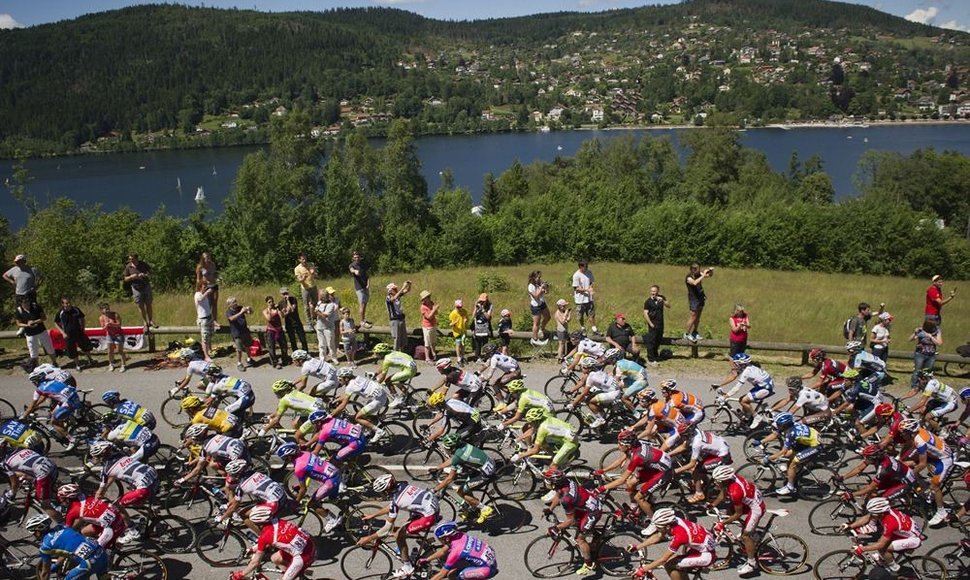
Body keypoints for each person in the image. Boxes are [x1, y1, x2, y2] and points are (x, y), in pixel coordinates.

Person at [358, 474, 440, 572]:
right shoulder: (402, 485)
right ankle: (425, 543)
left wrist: (367, 538)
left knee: (399, 535)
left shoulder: (397, 500)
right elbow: (392, 506)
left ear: (387, 490)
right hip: (431, 504)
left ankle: (408, 566)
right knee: (402, 527)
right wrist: (373, 515)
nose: (382, 495)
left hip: (429, 516)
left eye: (382, 492)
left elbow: (386, 529)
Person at [89, 441, 159, 543]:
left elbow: (100, 492)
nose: (96, 459)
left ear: (101, 456)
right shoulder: (121, 454)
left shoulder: (106, 469)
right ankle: (157, 522)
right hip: (153, 475)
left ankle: (132, 531)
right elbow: (114, 475)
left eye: (96, 456)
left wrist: (95, 502)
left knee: (117, 505)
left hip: (144, 488)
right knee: (138, 503)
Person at [229, 506, 316, 580]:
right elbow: (272, 540)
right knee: (275, 558)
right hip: (309, 544)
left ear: (258, 523)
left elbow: (255, 563)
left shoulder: (265, 536)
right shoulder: (278, 520)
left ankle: (295, 571)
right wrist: (253, 549)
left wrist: (240, 574)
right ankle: (296, 573)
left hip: (304, 557)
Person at [544, 467, 602, 577]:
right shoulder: (566, 482)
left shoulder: (566, 499)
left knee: (580, 539)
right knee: (578, 525)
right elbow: (558, 494)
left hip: (593, 511)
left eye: (549, 481)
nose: (547, 482)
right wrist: (550, 509)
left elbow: (570, 520)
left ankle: (589, 564)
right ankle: (595, 535)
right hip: (586, 504)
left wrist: (556, 528)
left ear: (555, 483)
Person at [629, 508, 716, 580]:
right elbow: (659, 536)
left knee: (669, 565)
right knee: (674, 561)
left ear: (667, 526)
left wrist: (643, 569)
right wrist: (637, 547)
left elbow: (663, 559)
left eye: (658, 527)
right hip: (702, 546)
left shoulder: (679, 536)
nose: (657, 529)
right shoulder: (675, 520)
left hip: (706, 555)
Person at [898, 418, 954, 525]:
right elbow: (908, 444)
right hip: (936, 454)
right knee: (910, 464)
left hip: (944, 460)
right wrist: (900, 458)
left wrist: (911, 474)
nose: (901, 435)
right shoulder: (917, 433)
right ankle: (924, 486)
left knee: (934, 485)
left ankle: (941, 512)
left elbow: (922, 464)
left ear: (910, 432)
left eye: (903, 433)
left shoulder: (920, 441)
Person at [430, 434, 497, 525]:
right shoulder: (462, 444)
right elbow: (453, 459)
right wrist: (438, 467)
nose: (445, 449)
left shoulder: (458, 457)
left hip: (485, 474)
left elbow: (450, 479)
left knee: (461, 491)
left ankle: (484, 509)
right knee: (466, 485)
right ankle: (473, 507)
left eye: (445, 447)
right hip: (488, 464)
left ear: (451, 447)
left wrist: (435, 489)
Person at [709, 466, 764, 576]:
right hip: (752, 498)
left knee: (745, 536)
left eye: (717, 481)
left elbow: (737, 514)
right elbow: (723, 492)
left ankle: (752, 563)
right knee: (729, 511)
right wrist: (713, 504)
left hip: (756, 508)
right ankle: (753, 533)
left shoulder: (735, 491)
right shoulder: (731, 479)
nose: (715, 483)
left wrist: (722, 523)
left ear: (724, 480)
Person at [275, 443, 343, 531]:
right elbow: (310, 470)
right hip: (335, 472)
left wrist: (296, 502)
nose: (284, 460)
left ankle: (332, 520)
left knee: (312, 503)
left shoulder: (298, 467)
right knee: (333, 499)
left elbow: (303, 490)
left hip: (331, 481)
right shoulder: (305, 453)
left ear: (289, 456)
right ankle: (345, 513)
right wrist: (300, 485)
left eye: (284, 458)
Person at [841, 498, 921, 573]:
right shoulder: (884, 512)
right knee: (881, 540)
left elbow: (880, 545)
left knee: (883, 548)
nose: (872, 515)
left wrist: (861, 549)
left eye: (873, 514)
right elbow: (867, 517)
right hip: (906, 530)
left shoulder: (890, 522)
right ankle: (886, 560)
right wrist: (850, 526)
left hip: (913, 538)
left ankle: (894, 567)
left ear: (881, 513)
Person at [27, 514, 110, 580]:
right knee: (103, 577)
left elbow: (45, 572)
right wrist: (56, 565)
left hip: (89, 563)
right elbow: (67, 549)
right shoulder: (62, 527)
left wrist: (51, 569)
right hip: (102, 553)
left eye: (33, 533)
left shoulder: (45, 546)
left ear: (37, 532)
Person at [761, 413, 819, 496]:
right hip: (808, 441)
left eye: (778, 424)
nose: (777, 426)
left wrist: (768, 458)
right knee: (789, 457)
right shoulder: (790, 425)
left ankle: (790, 487)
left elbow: (782, 452)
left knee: (793, 463)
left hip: (815, 446)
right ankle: (796, 472)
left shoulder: (791, 433)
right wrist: (761, 441)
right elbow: (775, 434)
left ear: (784, 425)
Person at [714, 353, 774, 427]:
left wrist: (725, 396)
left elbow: (737, 388)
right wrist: (719, 385)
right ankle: (747, 417)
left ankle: (756, 417)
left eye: (735, 363)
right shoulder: (746, 367)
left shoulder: (746, 372)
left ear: (740, 364)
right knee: (742, 399)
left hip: (766, 388)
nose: (734, 365)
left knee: (743, 401)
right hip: (762, 385)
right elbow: (733, 376)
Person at [422, 521, 498, 580]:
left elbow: (442, 574)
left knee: (451, 575)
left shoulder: (456, 551)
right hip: (488, 558)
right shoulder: (459, 535)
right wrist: (427, 559)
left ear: (447, 538)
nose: (439, 540)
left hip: (487, 569)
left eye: (440, 539)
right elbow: (443, 551)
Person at [58, 484, 127, 549]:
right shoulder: (87, 495)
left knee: (96, 552)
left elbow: (66, 532)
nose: (61, 502)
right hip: (115, 517)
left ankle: (108, 552)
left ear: (67, 499)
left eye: (62, 499)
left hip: (112, 528)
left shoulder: (72, 512)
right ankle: (109, 540)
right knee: (84, 532)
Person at [3, 445, 60, 520]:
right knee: (50, 487)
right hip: (50, 463)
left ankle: (63, 524)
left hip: (42, 473)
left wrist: (12, 493)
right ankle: (60, 501)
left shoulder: (6, 463)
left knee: (45, 504)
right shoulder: (21, 448)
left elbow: (15, 483)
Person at [330, 367, 389, 439]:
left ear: (346, 379)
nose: (339, 381)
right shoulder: (357, 378)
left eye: (340, 379)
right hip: (381, 394)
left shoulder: (350, 386)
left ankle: (379, 431)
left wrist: (331, 415)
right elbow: (346, 395)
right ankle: (370, 425)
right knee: (364, 414)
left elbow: (342, 406)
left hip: (378, 400)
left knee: (357, 418)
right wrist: (336, 400)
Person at [15, 295, 58, 369]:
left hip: (41, 330)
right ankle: (37, 367)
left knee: (49, 347)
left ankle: (54, 362)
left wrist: (35, 322)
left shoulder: (35, 306)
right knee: (33, 352)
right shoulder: (19, 310)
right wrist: (28, 325)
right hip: (30, 333)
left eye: (28, 301)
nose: (27, 303)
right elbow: (18, 323)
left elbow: (44, 318)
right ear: (21, 303)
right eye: (25, 302)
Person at [53, 296, 93, 371]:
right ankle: (78, 365)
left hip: (79, 332)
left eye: (69, 303)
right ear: (62, 304)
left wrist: (83, 327)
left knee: (86, 347)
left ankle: (90, 359)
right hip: (68, 335)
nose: (68, 305)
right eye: (66, 303)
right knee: (72, 350)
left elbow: (82, 318)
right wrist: (62, 333)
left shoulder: (76, 309)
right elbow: (56, 323)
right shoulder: (60, 312)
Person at [122, 252, 157, 330]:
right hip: (136, 288)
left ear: (136, 258)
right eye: (130, 259)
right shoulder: (128, 267)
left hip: (146, 286)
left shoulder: (143, 264)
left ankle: (151, 320)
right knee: (140, 306)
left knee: (148, 304)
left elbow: (151, 273)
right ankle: (145, 322)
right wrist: (131, 277)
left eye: (132, 259)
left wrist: (144, 275)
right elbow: (125, 279)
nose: (131, 260)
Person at [684, 263, 713, 343]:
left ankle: (695, 332)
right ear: (692, 269)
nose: (699, 270)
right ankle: (687, 333)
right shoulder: (689, 277)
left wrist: (710, 271)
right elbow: (694, 283)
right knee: (693, 316)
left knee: (698, 317)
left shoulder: (699, 274)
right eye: (697, 269)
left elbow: (709, 276)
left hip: (700, 298)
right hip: (693, 299)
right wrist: (703, 275)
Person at [909, 320, 942, 389]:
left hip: (931, 355)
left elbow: (939, 343)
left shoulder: (937, 331)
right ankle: (914, 385)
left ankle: (925, 385)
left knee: (927, 371)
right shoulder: (921, 331)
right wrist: (915, 333)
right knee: (917, 370)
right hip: (920, 354)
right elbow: (910, 339)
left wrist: (931, 337)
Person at [225, 297, 254, 372]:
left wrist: (249, 309)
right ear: (229, 305)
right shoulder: (228, 312)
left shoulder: (240, 307)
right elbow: (231, 319)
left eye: (235, 301)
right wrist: (241, 312)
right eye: (233, 302)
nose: (235, 303)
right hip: (237, 333)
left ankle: (249, 358)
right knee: (239, 349)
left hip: (245, 331)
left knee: (248, 346)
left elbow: (250, 313)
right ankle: (239, 363)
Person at [642, 285, 668, 366]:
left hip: (660, 323)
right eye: (652, 291)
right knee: (651, 341)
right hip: (652, 323)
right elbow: (645, 313)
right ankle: (651, 359)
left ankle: (655, 355)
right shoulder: (648, 302)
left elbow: (669, 305)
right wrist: (650, 323)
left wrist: (663, 300)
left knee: (658, 340)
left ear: (657, 291)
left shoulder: (661, 298)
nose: (653, 293)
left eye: (654, 291)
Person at [98, 303, 127, 372]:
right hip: (109, 335)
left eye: (108, 308)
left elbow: (119, 325)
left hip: (118, 334)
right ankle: (111, 364)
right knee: (110, 351)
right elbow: (103, 328)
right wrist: (106, 326)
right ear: (102, 310)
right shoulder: (101, 318)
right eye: (106, 309)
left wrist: (112, 324)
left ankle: (123, 365)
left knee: (120, 351)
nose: (108, 310)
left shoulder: (115, 314)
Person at [278, 287, 308, 353]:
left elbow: (292, 309)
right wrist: (284, 312)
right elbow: (282, 316)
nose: (285, 295)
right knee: (292, 340)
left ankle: (306, 352)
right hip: (289, 324)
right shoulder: (280, 303)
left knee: (302, 338)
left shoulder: (293, 299)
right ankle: (295, 354)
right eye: (283, 294)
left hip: (297, 322)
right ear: (281, 294)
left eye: (286, 293)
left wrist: (288, 301)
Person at [386, 280, 412, 353]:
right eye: (394, 289)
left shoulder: (397, 295)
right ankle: (395, 353)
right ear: (390, 291)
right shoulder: (388, 298)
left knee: (403, 337)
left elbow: (407, 290)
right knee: (396, 338)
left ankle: (402, 352)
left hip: (401, 318)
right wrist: (402, 288)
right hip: (394, 320)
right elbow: (392, 299)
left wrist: (409, 285)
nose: (396, 290)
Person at [349, 249, 373, 328]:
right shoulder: (352, 265)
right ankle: (362, 322)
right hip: (359, 288)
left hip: (365, 287)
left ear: (360, 257)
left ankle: (364, 319)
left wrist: (368, 284)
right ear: (353, 258)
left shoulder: (363, 265)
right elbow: (351, 270)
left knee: (365, 304)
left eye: (358, 257)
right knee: (362, 304)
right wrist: (355, 271)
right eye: (355, 257)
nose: (356, 259)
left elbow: (367, 275)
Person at [293, 252, 319, 325]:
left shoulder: (311, 264)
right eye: (302, 259)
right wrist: (303, 278)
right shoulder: (297, 269)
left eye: (305, 258)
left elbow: (317, 276)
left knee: (316, 304)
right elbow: (298, 280)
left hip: (313, 286)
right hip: (305, 289)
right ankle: (309, 322)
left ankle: (316, 318)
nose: (304, 260)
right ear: (299, 260)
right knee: (306, 306)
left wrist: (313, 273)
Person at [572, 260, 597, 335]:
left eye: (587, 266)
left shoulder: (589, 272)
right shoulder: (576, 275)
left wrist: (591, 288)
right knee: (580, 316)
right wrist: (587, 290)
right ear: (580, 267)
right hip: (580, 300)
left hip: (589, 299)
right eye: (585, 267)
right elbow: (576, 288)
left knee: (591, 314)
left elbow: (591, 282)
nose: (586, 268)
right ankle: (582, 328)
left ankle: (594, 329)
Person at [313, 290, 338, 364]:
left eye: (320, 296)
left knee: (330, 343)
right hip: (319, 326)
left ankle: (334, 357)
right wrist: (312, 309)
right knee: (321, 344)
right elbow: (315, 314)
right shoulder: (319, 303)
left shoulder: (331, 305)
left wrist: (316, 311)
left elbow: (324, 316)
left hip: (328, 327)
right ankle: (322, 358)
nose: (319, 297)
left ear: (324, 297)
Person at [195, 251, 220, 325]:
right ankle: (203, 320)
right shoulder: (200, 266)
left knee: (214, 303)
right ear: (202, 258)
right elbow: (198, 279)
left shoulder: (212, 264)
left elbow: (215, 273)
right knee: (207, 304)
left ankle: (214, 320)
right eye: (206, 257)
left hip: (214, 285)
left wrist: (217, 277)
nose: (208, 259)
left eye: (208, 257)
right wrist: (199, 288)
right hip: (206, 286)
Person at [263, 295, 287, 369]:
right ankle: (275, 362)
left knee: (283, 345)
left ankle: (284, 359)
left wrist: (279, 310)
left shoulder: (277, 309)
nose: (271, 303)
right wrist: (270, 310)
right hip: (271, 331)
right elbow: (269, 319)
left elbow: (282, 316)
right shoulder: (265, 311)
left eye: (272, 301)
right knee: (272, 347)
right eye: (269, 302)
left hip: (279, 329)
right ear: (267, 303)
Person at [193, 281, 215, 363]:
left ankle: (210, 351)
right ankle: (206, 356)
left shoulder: (204, 294)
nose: (206, 287)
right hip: (203, 319)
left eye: (206, 286)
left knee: (210, 335)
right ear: (199, 287)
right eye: (204, 286)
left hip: (209, 317)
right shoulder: (197, 294)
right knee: (205, 338)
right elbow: (200, 299)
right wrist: (207, 292)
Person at [527, 270, 551, 345]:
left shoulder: (538, 283)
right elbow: (536, 296)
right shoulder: (531, 286)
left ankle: (542, 329)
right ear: (533, 277)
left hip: (542, 303)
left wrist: (546, 287)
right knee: (536, 323)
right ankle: (534, 339)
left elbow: (546, 292)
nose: (539, 279)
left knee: (548, 317)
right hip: (535, 306)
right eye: (538, 277)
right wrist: (541, 288)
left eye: (540, 277)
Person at [419, 290, 439, 363]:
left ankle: (434, 354)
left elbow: (436, 313)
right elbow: (429, 317)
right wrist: (434, 309)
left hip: (433, 324)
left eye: (429, 296)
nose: (429, 298)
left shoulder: (431, 303)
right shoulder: (423, 307)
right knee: (427, 343)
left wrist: (435, 310)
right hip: (427, 326)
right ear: (424, 299)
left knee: (433, 341)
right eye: (427, 297)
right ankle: (427, 358)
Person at [471, 293, 493, 360]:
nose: (482, 302)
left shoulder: (490, 305)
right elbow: (473, 315)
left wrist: (483, 310)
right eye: (481, 300)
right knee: (477, 342)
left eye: (483, 301)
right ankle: (477, 356)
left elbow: (488, 317)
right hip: (477, 326)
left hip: (485, 326)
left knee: (485, 342)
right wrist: (475, 307)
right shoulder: (478, 304)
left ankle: (486, 356)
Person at [449, 299, 469, 366]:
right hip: (457, 332)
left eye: (460, 307)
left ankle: (463, 357)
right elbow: (450, 324)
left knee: (463, 344)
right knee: (458, 345)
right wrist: (455, 322)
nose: (459, 308)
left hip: (463, 331)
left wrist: (466, 321)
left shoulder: (464, 311)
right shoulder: (453, 313)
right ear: (455, 306)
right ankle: (459, 359)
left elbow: (467, 319)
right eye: (458, 307)